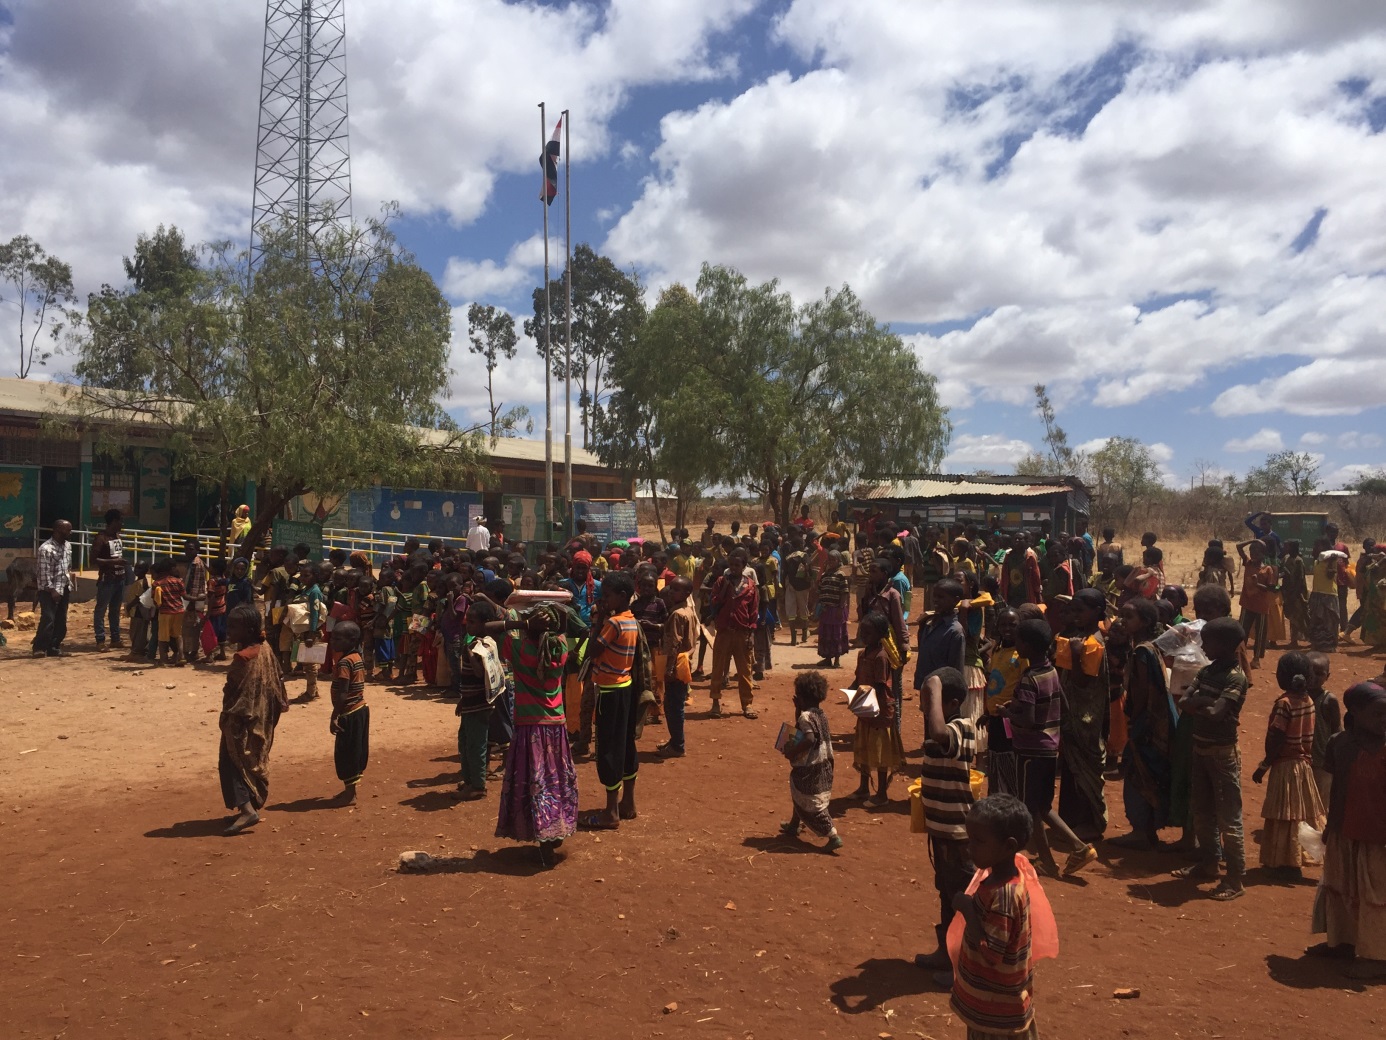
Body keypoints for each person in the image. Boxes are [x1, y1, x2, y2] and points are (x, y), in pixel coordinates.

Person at [1002, 618, 1096, 877]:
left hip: (1030, 750)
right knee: (1043, 806)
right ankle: (1078, 847)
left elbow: (1029, 720)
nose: (1017, 645)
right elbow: (1063, 706)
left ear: (1028, 646)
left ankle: (1047, 860)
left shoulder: (1030, 679)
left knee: (1031, 808)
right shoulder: (1051, 671)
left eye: (1020, 641)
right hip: (1049, 748)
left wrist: (1008, 713)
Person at [949, 793, 1046, 1040]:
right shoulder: (1000, 879)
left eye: (978, 841)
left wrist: (967, 908)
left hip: (997, 1013)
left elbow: (992, 953)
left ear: (1008, 847)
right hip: (995, 1005)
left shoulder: (1004, 896)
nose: (969, 848)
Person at [1309, 680, 1386, 979]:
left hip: (1377, 836)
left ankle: (1376, 957)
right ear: (1355, 712)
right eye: (1378, 714)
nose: (1384, 722)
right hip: (1344, 828)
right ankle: (1342, 941)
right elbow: (1337, 787)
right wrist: (1330, 825)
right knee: (1341, 886)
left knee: (1374, 893)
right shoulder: (1338, 744)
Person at [493, 602, 579, 865]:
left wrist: (520, 623)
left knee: (533, 782)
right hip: (556, 727)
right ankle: (556, 830)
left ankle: (541, 835)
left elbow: (491, 629)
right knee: (554, 780)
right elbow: (567, 625)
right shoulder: (561, 647)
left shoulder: (519, 649)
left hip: (529, 727)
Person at [1171, 616, 1249, 900]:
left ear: (1226, 645)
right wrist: (1205, 703)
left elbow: (1213, 712)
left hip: (1222, 753)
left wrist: (1199, 703)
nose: (1204, 645)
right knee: (1202, 810)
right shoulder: (1208, 672)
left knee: (1229, 817)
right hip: (1202, 748)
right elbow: (1185, 702)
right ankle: (1209, 863)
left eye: (1209, 641)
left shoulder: (1234, 677)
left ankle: (1236, 878)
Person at [915, 666, 978, 986]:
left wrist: (934, 684)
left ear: (950, 703)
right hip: (941, 831)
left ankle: (967, 965)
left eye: (930, 700)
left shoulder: (962, 728)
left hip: (957, 834)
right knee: (946, 892)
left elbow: (940, 734)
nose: (924, 706)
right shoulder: (944, 729)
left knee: (961, 895)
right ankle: (946, 951)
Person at [1251, 651, 1326, 875]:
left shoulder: (1284, 704)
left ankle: (1285, 862)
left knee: (1284, 813)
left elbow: (1276, 737)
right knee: (1300, 813)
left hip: (1285, 765)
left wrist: (1264, 765)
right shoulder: (1309, 700)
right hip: (1303, 765)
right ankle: (1296, 859)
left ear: (1282, 676)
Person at [1110, 597, 1175, 850]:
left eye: (1128, 617)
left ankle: (1141, 830)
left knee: (1138, 775)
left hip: (1145, 723)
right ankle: (1147, 829)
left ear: (1145, 622)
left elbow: (1140, 694)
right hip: (1156, 722)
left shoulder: (1141, 652)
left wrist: (1134, 721)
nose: (1121, 621)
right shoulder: (1150, 647)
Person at [219, 604, 289, 835]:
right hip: (263, 717)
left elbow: (237, 693)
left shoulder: (244, 658)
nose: (228, 631)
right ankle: (252, 802)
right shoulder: (266, 648)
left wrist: (228, 716)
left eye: (233, 627)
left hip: (242, 720)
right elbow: (278, 678)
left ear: (248, 630)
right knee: (252, 759)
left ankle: (247, 809)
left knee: (233, 762)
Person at [580, 570, 641, 830]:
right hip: (625, 687)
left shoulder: (613, 624)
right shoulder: (632, 621)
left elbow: (593, 650)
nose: (604, 600)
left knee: (607, 748)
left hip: (608, 690)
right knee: (625, 743)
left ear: (622, 596)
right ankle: (628, 802)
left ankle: (611, 811)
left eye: (607, 596)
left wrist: (599, 621)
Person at [1055, 587, 1110, 838]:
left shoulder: (1092, 642)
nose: (1074, 615)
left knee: (1084, 771)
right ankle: (1070, 818)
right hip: (1071, 714)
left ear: (1097, 612)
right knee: (1070, 769)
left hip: (1086, 718)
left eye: (1080, 610)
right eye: (1072, 610)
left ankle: (1089, 821)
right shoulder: (1079, 636)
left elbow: (1082, 683)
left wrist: (1076, 656)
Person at [778, 670, 842, 851]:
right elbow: (804, 729)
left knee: (813, 804)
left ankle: (832, 835)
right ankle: (794, 824)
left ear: (802, 697)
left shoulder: (806, 717)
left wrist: (792, 751)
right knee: (800, 794)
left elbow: (808, 738)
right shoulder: (820, 714)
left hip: (810, 767)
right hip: (824, 764)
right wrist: (798, 709)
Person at [851, 611, 905, 805]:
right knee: (864, 746)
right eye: (862, 632)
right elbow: (858, 678)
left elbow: (880, 685)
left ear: (881, 635)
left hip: (879, 709)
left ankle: (882, 793)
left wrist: (862, 696)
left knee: (880, 752)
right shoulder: (862, 654)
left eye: (868, 633)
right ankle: (864, 788)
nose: (864, 636)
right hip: (866, 707)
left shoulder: (881, 657)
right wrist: (852, 691)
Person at [455, 600, 504, 801]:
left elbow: (479, 673)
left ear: (486, 623)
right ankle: (470, 780)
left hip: (477, 705)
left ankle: (477, 785)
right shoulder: (482, 643)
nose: (469, 626)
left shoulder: (481, 646)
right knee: (465, 742)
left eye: (473, 622)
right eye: (468, 622)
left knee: (475, 745)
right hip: (470, 703)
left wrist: (469, 653)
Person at [707, 549, 760, 720]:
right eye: (731, 565)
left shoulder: (751, 586)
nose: (734, 568)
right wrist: (725, 589)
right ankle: (715, 703)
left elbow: (753, 612)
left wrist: (751, 634)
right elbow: (714, 601)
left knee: (745, 670)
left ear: (744, 566)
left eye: (737, 565)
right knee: (718, 668)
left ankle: (747, 703)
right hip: (723, 632)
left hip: (742, 633)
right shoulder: (721, 582)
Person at [658, 577, 698, 759]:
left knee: (673, 705)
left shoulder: (676, 615)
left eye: (675, 590)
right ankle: (675, 741)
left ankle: (677, 745)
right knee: (675, 703)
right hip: (685, 662)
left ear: (686, 594)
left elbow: (674, 643)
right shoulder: (688, 611)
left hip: (676, 664)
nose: (670, 592)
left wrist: (668, 668)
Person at [32, 519, 76, 658]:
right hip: (48, 590)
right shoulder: (45, 549)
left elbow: (67, 567)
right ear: (57, 530)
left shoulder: (68, 546)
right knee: (48, 618)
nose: (70, 532)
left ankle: (54, 646)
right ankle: (39, 647)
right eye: (67, 530)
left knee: (61, 619)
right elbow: (43, 573)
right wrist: (52, 590)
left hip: (64, 587)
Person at [1235, 538, 1276, 668]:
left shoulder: (1267, 569)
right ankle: (1239, 656)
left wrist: (1257, 584)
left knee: (1260, 633)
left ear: (1263, 553)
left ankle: (1256, 659)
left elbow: (1271, 588)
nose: (1253, 554)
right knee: (1242, 631)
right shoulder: (1248, 563)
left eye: (1257, 551)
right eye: (1252, 551)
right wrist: (1252, 540)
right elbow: (1238, 547)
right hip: (1247, 604)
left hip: (1261, 606)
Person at [1307, 652, 1342, 804]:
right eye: (1310, 673)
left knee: (1321, 801)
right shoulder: (1296, 697)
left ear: (1327, 676)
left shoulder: (1329, 701)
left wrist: (1336, 758)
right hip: (1301, 759)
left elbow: (1337, 731)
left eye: (1319, 674)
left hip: (1322, 761)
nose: (1314, 677)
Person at [91, 508, 127, 651]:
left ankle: (115, 638)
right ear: (114, 521)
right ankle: (100, 640)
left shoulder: (117, 536)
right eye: (120, 521)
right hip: (107, 579)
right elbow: (93, 559)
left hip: (120, 578)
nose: (122, 524)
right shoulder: (101, 538)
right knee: (101, 610)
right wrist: (112, 562)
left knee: (115, 610)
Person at [815, 550, 851, 668]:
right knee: (826, 634)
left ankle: (836, 659)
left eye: (833, 560)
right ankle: (827, 658)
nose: (831, 562)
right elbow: (820, 590)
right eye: (829, 559)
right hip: (825, 610)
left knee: (837, 634)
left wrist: (841, 608)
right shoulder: (825, 575)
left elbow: (844, 592)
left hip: (836, 610)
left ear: (838, 561)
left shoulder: (841, 575)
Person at [1308, 539, 1343, 652]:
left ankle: (1328, 645)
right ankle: (1318, 644)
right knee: (1317, 620)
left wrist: (1332, 561)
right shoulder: (1316, 561)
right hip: (1317, 593)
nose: (1314, 548)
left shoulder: (1331, 561)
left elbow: (1329, 576)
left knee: (1328, 621)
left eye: (1317, 546)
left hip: (1328, 594)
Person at [152, 557, 187, 667]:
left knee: (163, 637)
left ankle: (163, 660)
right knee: (178, 635)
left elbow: (155, 601)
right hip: (179, 611)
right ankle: (181, 657)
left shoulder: (157, 584)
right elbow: (184, 595)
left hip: (165, 612)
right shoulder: (178, 581)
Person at [181, 537, 209, 665]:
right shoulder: (192, 562)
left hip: (194, 600)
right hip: (191, 599)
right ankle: (190, 652)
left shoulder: (196, 564)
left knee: (192, 628)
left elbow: (196, 585)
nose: (188, 552)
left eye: (191, 549)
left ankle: (192, 653)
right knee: (189, 627)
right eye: (186, 549)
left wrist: (192, 602)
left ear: (197, 550)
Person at [1280, 539, 1309, 649]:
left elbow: (1300, 579)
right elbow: (1283, 572)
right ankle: (1294, 640)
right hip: (1288, 592)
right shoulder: (1286, 559)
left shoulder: (1298, 561)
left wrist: (1295, 594)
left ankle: (1308, 637)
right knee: (1292, 617)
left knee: (1300, 617)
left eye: (1288, 547)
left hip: (1298, 594)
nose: (1286, 549)